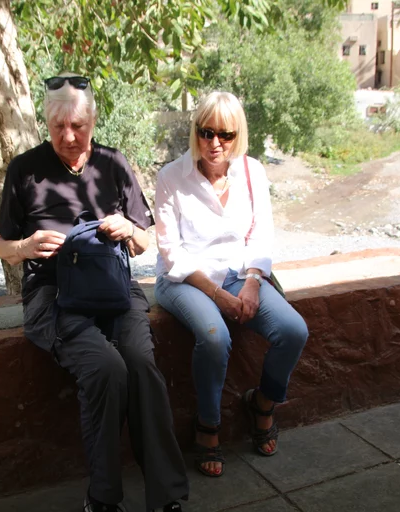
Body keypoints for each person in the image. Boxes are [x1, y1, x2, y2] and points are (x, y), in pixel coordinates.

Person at [0, 74, 188, 512]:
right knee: (106, 368)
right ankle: (102, 498)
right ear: (47, 124)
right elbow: (0, 244)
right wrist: (25, 247)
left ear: (93, 121)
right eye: (58, 127)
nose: (68, 136)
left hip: (113, 289)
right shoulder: (25, 170)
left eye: (77, 126)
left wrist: (129, 230)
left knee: (140, 365)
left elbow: (145, 242)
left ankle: (166, 495)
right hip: (54, 295)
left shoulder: (113, 164)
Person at [154, 91, 308, 478]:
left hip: (240, 274)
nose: (215, 143)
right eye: (206, 132)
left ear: (239, 135)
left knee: (293, 330)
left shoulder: (251, 172)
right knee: (214, 336)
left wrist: (253, 281)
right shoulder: (171, 177)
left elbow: (260, 235)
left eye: (226, 134)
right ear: (195, 131)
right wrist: (217, 294)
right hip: (185, 279)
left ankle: (263, 403)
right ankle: (208, 425)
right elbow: (172, 253)